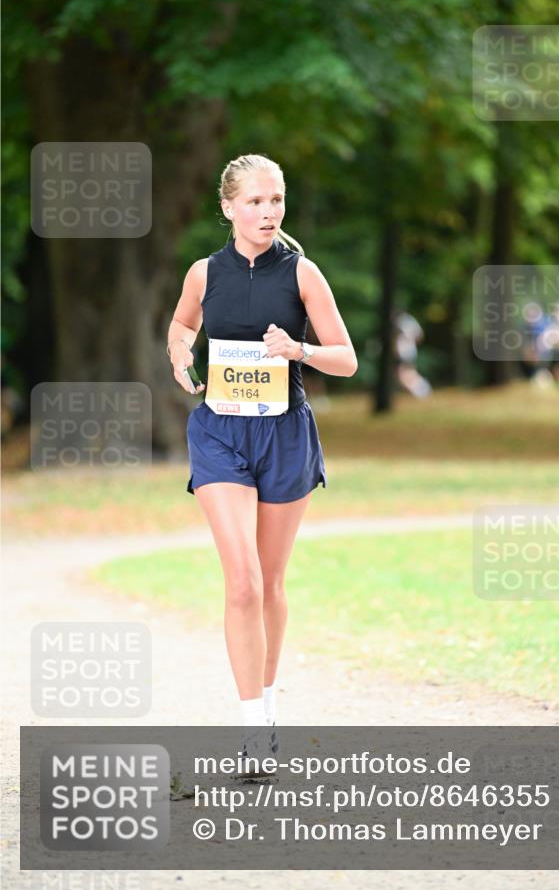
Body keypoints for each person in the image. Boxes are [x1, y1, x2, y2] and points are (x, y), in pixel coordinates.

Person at [166, 154, 357, 776]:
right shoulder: (204, 272)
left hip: (285, 434)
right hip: (219, 432)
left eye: (275, 200)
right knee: (242, 582)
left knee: (271, 583)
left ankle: (269, 705)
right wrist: (179, 355)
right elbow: (180, 324)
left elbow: (347, 359)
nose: (268, 212)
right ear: (228, 207)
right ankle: (252, 729)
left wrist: (297, 348)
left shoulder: (303, 273)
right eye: (254, 201)